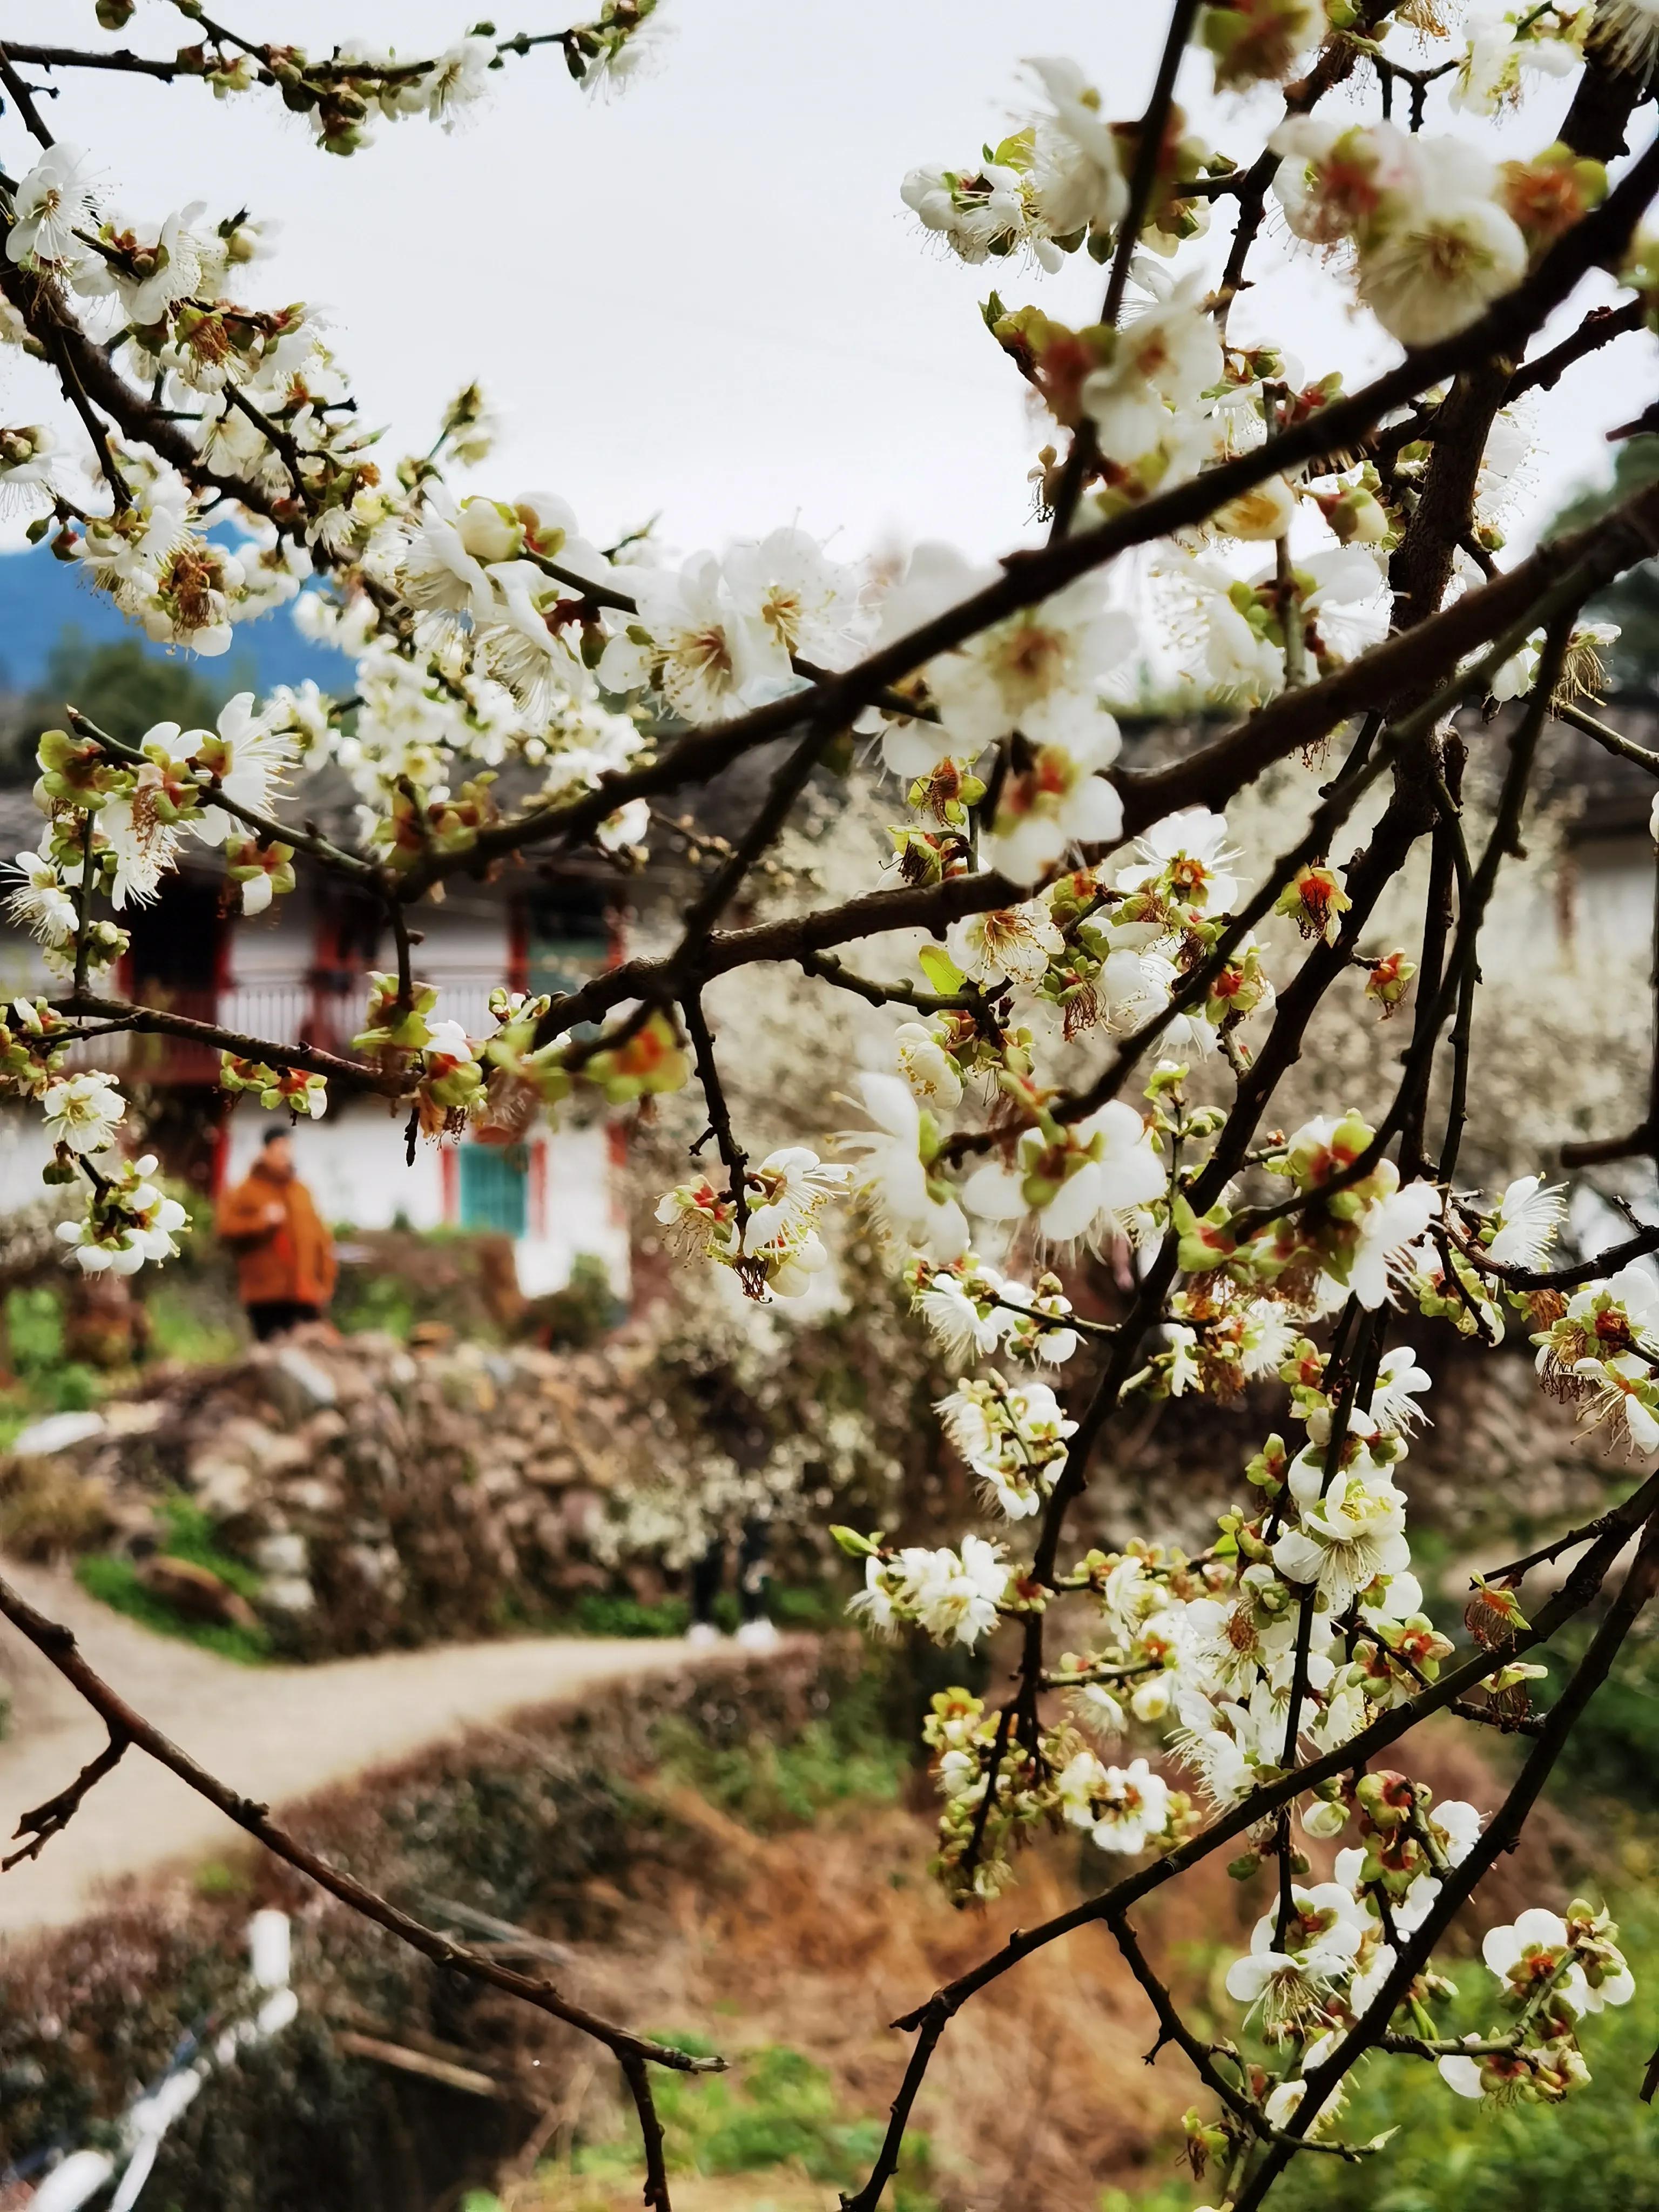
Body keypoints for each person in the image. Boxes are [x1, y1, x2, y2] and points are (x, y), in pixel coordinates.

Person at [217, 1127, 338, 1341]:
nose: (285, 1157)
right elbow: (225, 1231)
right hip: (265, 1296)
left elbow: (322, 1241)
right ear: (265, 1152)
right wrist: (261, 1222)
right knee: (273, 1359)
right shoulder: (244, 1191)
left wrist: (325, 1284)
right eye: (279, 1151)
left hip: (304, 1293)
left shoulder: (302, 1191)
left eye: (288, 1151)